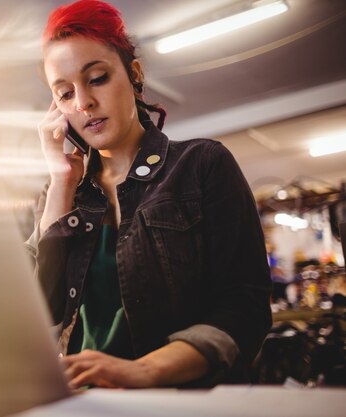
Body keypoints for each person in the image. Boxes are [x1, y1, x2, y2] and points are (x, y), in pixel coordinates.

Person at [25, 0, 272, 389]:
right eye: (64, 93)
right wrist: (59, 182)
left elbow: (245, 307)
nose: (83, 102)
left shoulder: (201, 165)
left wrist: (145, 370)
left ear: (134, 74)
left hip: (183, 401)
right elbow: (37, 313)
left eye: (97, 78)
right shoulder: (61, 192)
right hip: (87, 404)